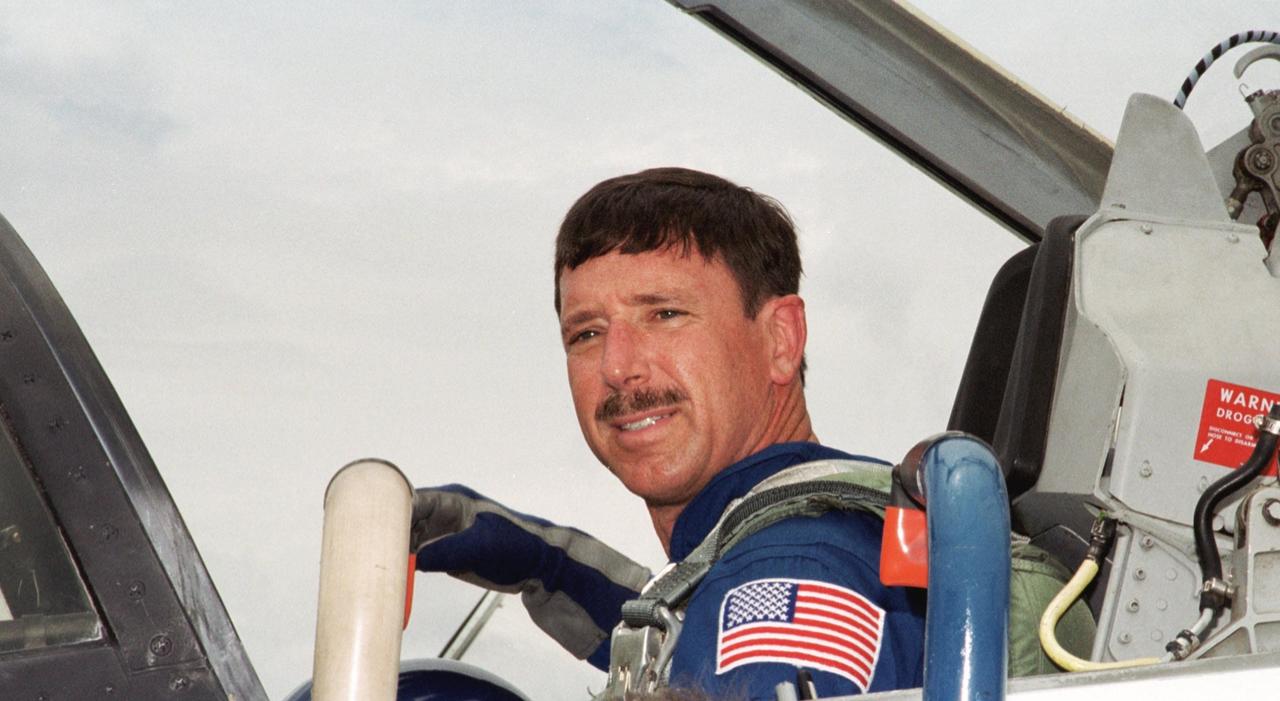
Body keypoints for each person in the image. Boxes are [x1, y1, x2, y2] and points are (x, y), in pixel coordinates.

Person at [411, 168, 925, 700]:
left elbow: (758, 625)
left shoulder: (788, 569)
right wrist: (551, 567)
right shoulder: (821, 540)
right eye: (587, 332)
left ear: (780, 339)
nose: (617, 366)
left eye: (664, 314)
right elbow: (702, 639)